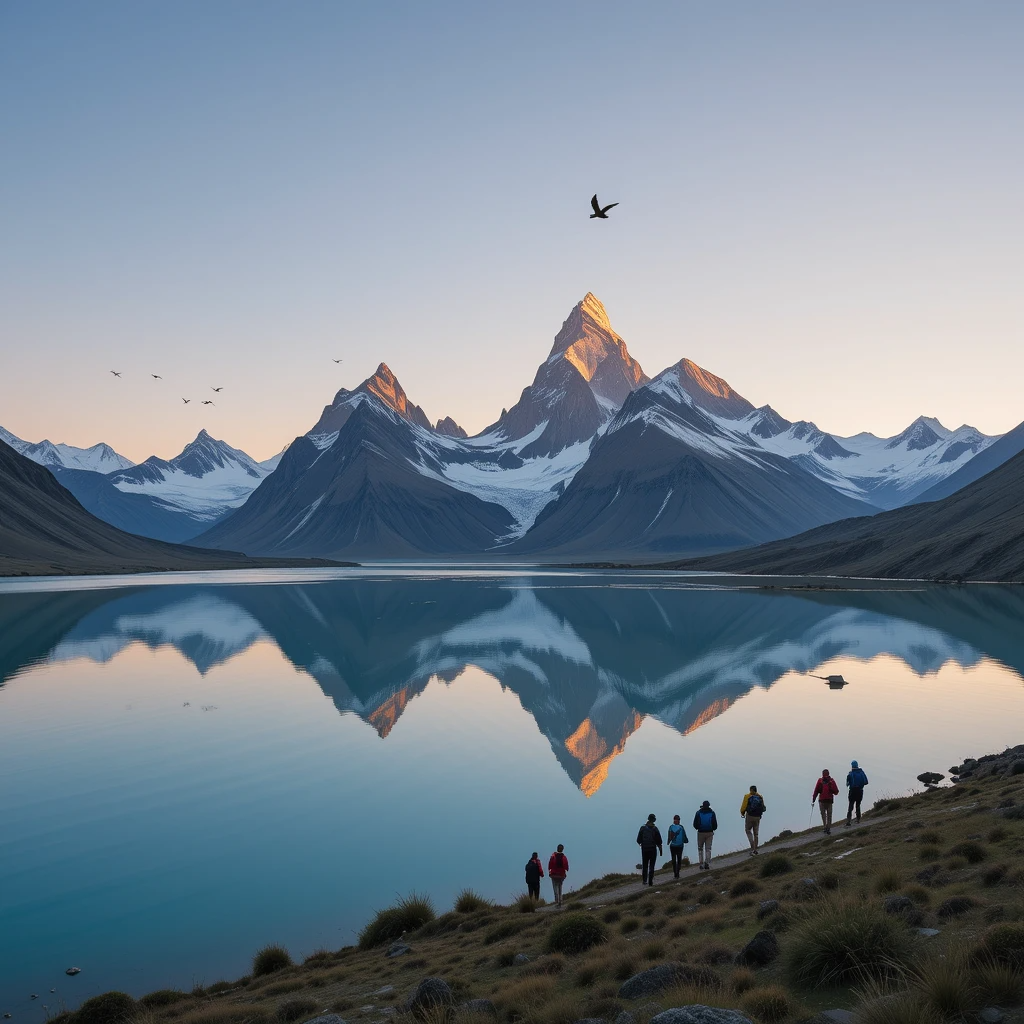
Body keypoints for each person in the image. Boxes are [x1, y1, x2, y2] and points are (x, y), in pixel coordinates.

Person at [636, 813, 663, 886]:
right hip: (652, 849)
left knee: (645, 865)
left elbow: (638, 840)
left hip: (644, 849)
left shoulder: (642, 828)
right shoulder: (655, 829)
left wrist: (642, 844)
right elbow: (660, 841)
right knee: (652, 865)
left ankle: (644, 881)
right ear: (654, 820)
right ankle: (650, 881)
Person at [739, 785, 766, 855]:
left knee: (748, 830)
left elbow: (743, 807)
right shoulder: (760, 796)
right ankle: (755, 849)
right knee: (756, 833)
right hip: (758, 817)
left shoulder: (747, 796)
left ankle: (752, 846)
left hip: (750, 816)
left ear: (751, 790)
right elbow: (763, 807)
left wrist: (742, 813)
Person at [692, 800, 718, 870]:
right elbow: (715, 824)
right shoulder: (712, 813)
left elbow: (695, 824)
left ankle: (701, 864)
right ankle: (707, 863)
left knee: (700, 848)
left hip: (700, 832)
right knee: (708, 848)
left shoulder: (698, 813)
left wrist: (698, 828)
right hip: (710, 832)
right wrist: (713, 829)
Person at [812, 768, 840, 834]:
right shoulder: (832, 781)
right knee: (829, 815)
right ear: (828, 774)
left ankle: (825, 827)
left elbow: (816, 791)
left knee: (823, 814)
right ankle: (828, 828)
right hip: (829, 801)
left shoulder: (820, 781)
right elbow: (836, 792)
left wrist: (813, 799)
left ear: (822, 774)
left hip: (821, 800)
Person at [846, 760, 869, 826]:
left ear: (852, 766)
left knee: (850, 806)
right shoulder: (861, 772)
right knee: (858, 805)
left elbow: (847, 784)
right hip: (860, 791)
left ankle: (848, 821)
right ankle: (858, 819)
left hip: (852, 791)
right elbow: (866, 782)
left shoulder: (850, 774)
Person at [667, 814, 689, 878]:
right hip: (680, 846)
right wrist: (686, 840)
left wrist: (668, 842)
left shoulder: (671, 827)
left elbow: (669, 836)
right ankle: (677, 872)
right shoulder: (681, 827)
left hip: (673, 846)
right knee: (679, 859)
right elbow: (684, 836)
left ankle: (675, 873)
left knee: (674, 859)